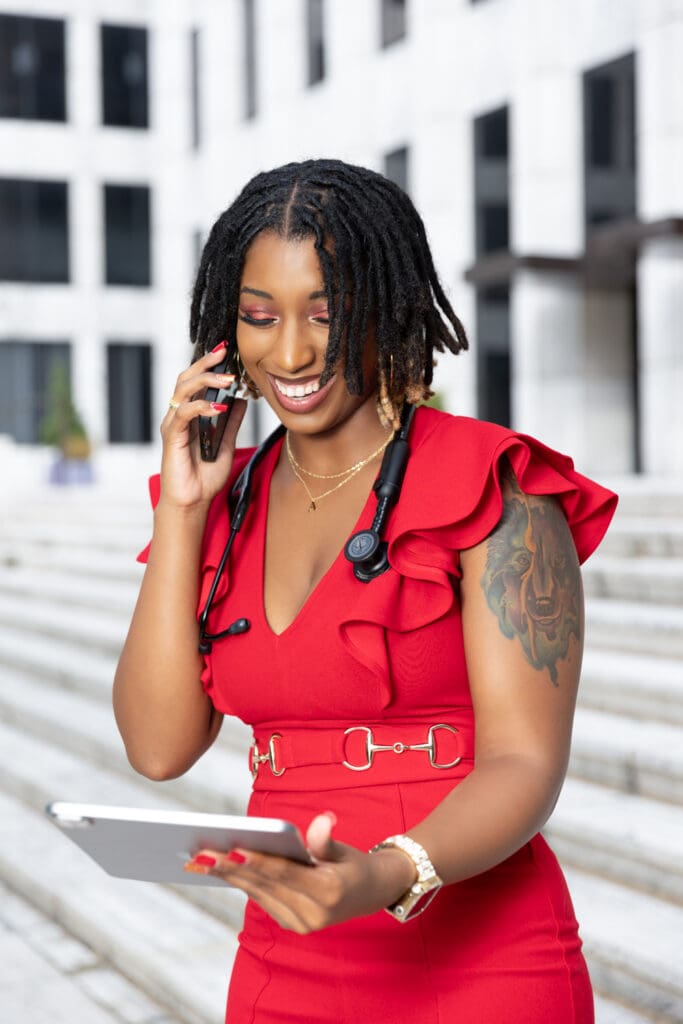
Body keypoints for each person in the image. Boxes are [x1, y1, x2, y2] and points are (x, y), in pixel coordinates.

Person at [113, 158, 617, 1023]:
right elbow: (158, 748)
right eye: (260, 317)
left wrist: (385, 873)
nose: (294, 352)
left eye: (327, 312)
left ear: (386, 307)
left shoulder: (495, 483)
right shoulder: (217, 501)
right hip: (287, 955)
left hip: (481, 960)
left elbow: (525, 762)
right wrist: (187, 512)